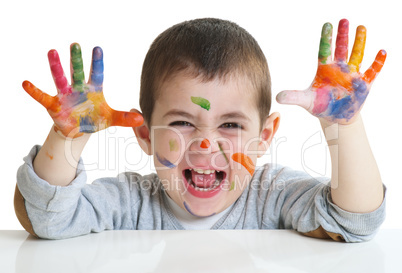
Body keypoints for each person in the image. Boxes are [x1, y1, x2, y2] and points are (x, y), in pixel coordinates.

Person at [15, 18, 386, 242]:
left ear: (265, 137)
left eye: (230, 124)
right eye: (181, 122)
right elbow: (50, 219)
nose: (206, 145)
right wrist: (68, 137)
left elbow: (355, 221)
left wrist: (345, 126)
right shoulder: (131, 200)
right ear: (145, 135)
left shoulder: (271, 194)